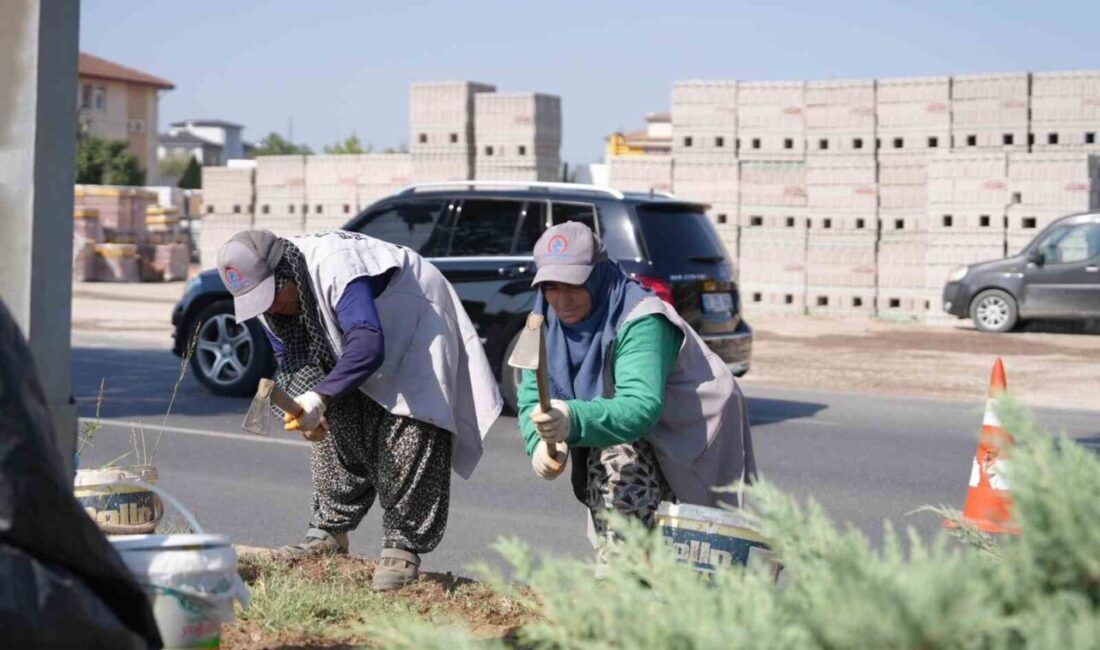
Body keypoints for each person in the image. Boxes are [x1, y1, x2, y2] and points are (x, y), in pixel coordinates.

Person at [217, 230, 501, 590]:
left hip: (416, 321)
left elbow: (367, 345)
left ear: (286, 272)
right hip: (356, 335)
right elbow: (290, 356)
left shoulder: (335, 268)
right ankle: (329, 533)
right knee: (334, 419)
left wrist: (319, 397)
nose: (270, 308)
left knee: (411, 426)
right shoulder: (264, 298)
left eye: (272, 296)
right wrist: (310, 406)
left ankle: (402, 546)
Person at [517, 222, 756, 562]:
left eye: (574, 285)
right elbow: (531, 392)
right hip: (626, 427)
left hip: (692, 430)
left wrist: (572, 418)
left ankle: (624, 578)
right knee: (617, 468)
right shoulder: (542, 320)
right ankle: (628, 575)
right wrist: (538, 440)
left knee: (701, 543)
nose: (562, 299)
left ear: (598, 276)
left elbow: (640, 406)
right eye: (552, 287)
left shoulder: (641, 319)